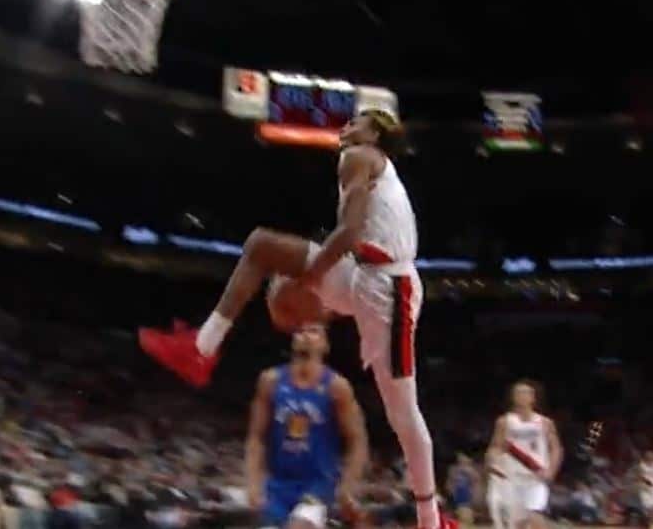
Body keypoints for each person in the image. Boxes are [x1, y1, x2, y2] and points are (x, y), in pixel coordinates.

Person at [140, 108, 443, 529]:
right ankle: (201, 347)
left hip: (388, 288)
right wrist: (306, 286)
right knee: (263, 249)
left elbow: (350, 231)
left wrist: (313, 278)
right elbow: (353, 241)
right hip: (362, 272)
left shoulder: (359, 156)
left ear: (372, 133)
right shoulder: (370, 164)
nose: (346, 126)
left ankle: (430, 518)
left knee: (402, 412)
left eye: (355, 121)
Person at [245, 323, 368, 528]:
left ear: (325, 345)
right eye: (301, 330)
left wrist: (347, 488)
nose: (305, 335)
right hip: (277, 483)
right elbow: (256, 437)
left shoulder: (337, 387)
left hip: (318, 483)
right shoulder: (271, 381)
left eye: (313, 331)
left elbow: (358, 440)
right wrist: (253, 482)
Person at [487, 380, 563, 529]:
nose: (522, 396)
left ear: (533, 398)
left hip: (536, 477)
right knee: (517, 523)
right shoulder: (504, 422)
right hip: (512, 478)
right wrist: (492, 461)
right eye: (518, 393)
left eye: (526, 393)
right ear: (513, 397)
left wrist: (551, 471)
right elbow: (495, 447)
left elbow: (556, 448)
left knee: (535, 517)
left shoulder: (544, 422)